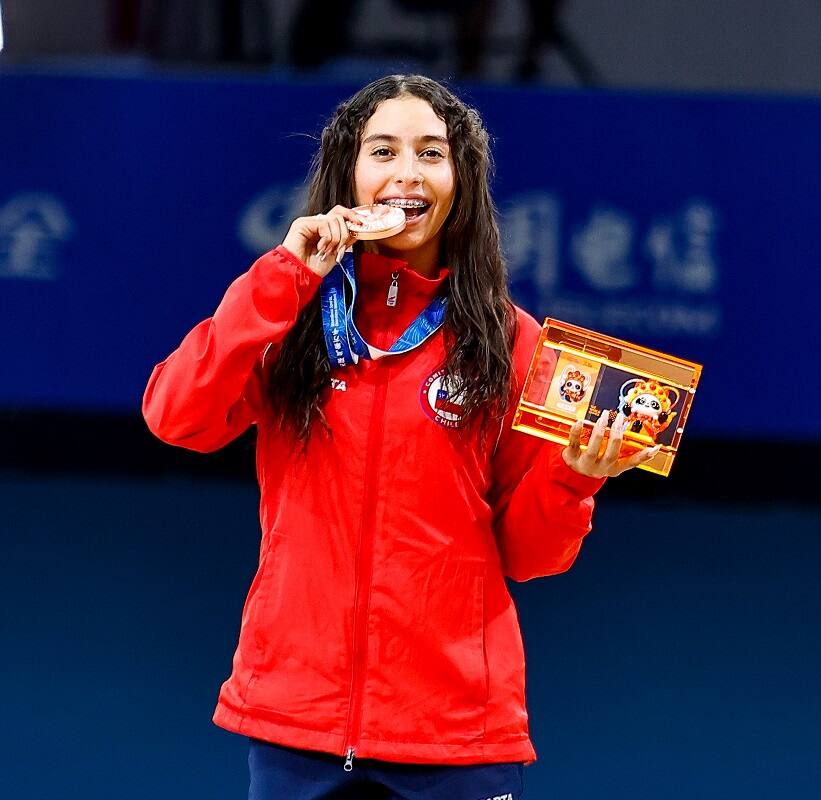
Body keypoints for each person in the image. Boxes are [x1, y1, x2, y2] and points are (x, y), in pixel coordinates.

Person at [142, 74, 659, 800]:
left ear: (461, 182)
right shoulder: (288, 315)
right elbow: (176, 415)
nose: (407, 173)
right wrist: (284, 276)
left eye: (431, 154)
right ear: (348, 174)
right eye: (383, 151)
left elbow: (531, 556)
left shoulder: (511, 343)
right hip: (298, 722)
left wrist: (575, 476)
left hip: (455, 735)